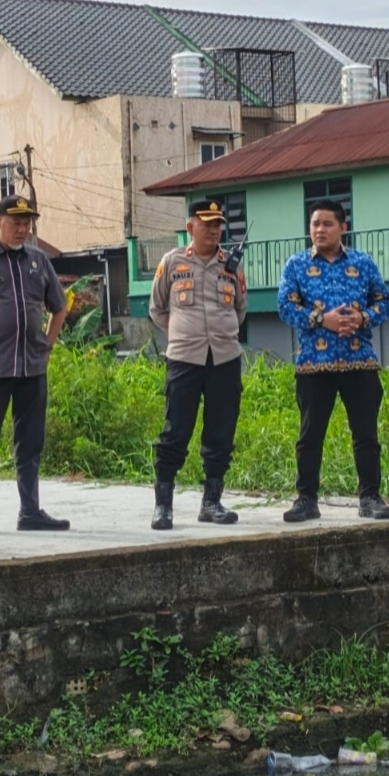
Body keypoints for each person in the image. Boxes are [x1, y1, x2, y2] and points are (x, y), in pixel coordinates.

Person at [278, 198, 389, 522]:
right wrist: (320, 319)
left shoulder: (363, 262)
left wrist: (362, 317)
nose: (320, 230)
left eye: (327, 224)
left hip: (360, 361)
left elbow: (385, 302)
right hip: (314, 364)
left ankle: (370, 497)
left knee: (366, 435)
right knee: (310, 435)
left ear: (343, 227)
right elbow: (286, 308)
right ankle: (306, 498)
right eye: (315, 224)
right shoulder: (296, 265)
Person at [0, 194, 69, 537]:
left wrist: (47, 345)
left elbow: (59, 307)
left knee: (30, 443)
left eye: (27, 223)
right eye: (15, 222)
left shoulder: (38, 260)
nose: (22, 229)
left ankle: (30, 511)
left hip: (32, 369)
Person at [149, 199, 247, 530]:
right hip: (184, 361)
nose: (214, 230)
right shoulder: (173, 261)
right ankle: (164, 506)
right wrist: (181, 334)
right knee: (175, 431)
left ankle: (212, 502)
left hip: (224, 359)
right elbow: (157, 308)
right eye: (207, 224)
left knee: (221, 432)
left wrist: (222, 333)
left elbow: (240, 310)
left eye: (218, 224)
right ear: (191, 227)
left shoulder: (231, 266)